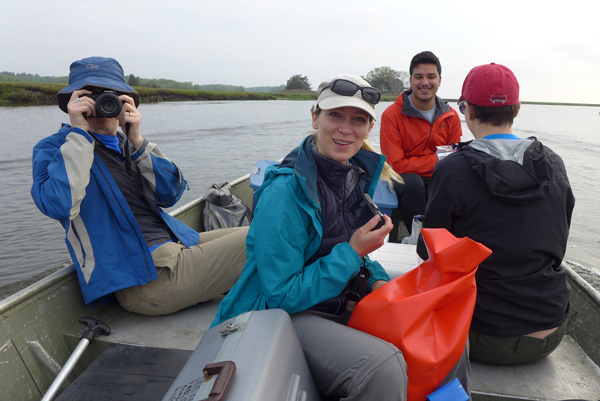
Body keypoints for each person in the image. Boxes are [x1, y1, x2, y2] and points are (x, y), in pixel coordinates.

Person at [212, 75, 470, 400]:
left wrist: (378, 283)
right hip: (279, 314)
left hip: (335, 297)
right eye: (335, 115)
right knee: (381, 366)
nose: (346, 129)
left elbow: (356, 254)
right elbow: (281, 294)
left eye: (358, 119)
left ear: (369, 128)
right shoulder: (284, 193)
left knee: (442, 323)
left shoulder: (351, 175)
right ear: (314, 117)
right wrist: (352, 253)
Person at [31, 56, 248, 316]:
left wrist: (137, 140)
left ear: (125, 100)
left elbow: (170, 194)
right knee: (264, 239)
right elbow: (60, 206)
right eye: (91, 95)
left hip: (176, 248)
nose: (101, 103)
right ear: (73, 102)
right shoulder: (56, 148)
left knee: (261, 231)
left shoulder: (127, 144)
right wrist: (79, 134)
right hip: (145, 281)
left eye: (110, 95)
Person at [416, 63, 575, 365]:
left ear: (468, 110)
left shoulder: (452, 169)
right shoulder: (553, 163)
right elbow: (558, 240)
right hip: (553, 331)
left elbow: (429, 251)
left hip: (483, 337)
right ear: (516, 109)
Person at [380, 51, 462, 238]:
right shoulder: (392, 115)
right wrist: (438, 159)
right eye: (419, 77)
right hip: (407, 182)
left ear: (439, 80)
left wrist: (441, 161)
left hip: (437, 178)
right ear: (411, 80)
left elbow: (456, 160)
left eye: (431, 76)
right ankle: (422, 241)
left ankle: (454, 239)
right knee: (413, 183)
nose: (425, 82)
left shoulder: (451, 115)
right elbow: (396, 166)